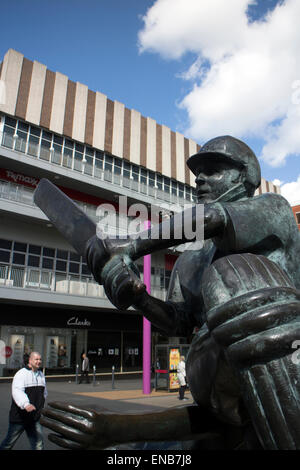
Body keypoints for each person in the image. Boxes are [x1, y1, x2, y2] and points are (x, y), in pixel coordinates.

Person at [40, 136, 300, 450]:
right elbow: (177, 323)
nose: (200, 179)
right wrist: (139, 298)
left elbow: (212, 218)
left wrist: (130, 246)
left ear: (246, 177)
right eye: (197, 174)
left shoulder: (273, 211)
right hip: (220, 389)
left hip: (288, 368)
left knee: (233, 275)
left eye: (213, 170)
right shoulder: (190, 260)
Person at [0, 351, 47, 450]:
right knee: (8, 443)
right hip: (20, 417)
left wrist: (41, 408)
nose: (39, 361)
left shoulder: (41, 375)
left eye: (40, 359)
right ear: (30, 360)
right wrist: (26, 404)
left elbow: (44, 393)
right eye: (36, 359)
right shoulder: (21, 374)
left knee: (38, 445)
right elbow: (17, 391)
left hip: (35, 417)